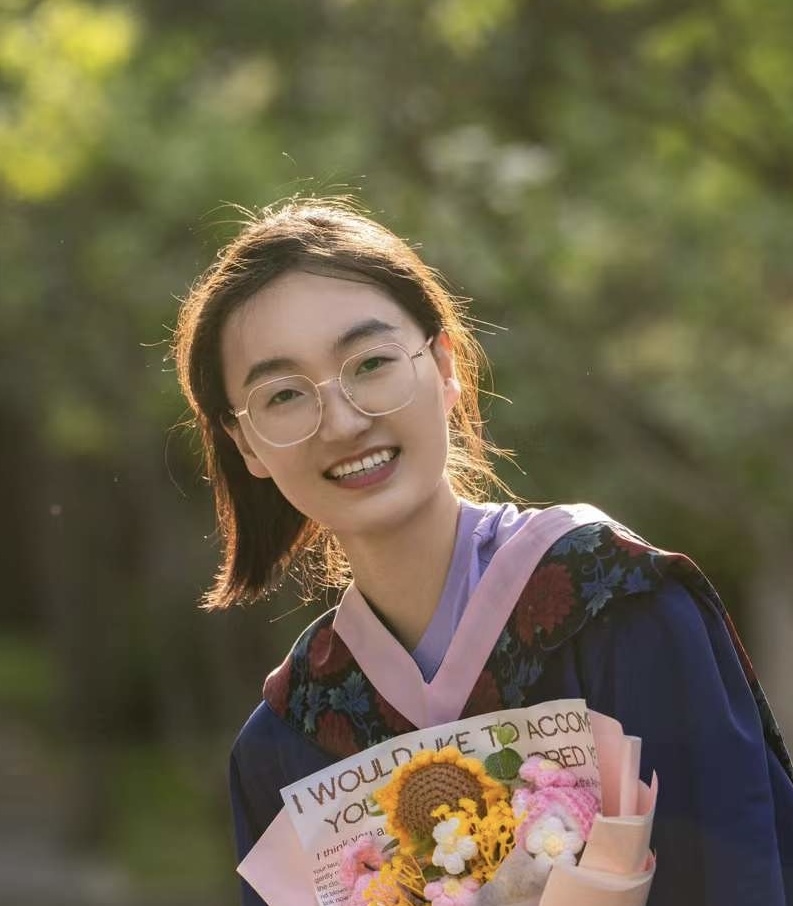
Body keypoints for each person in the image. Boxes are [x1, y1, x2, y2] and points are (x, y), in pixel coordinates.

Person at [173, 197, 793, 906]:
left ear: (444, 365)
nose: (341, 422)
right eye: (283, 396)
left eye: (370, 362)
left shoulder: (622, 611)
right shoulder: (286, 744)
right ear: (245, 443)